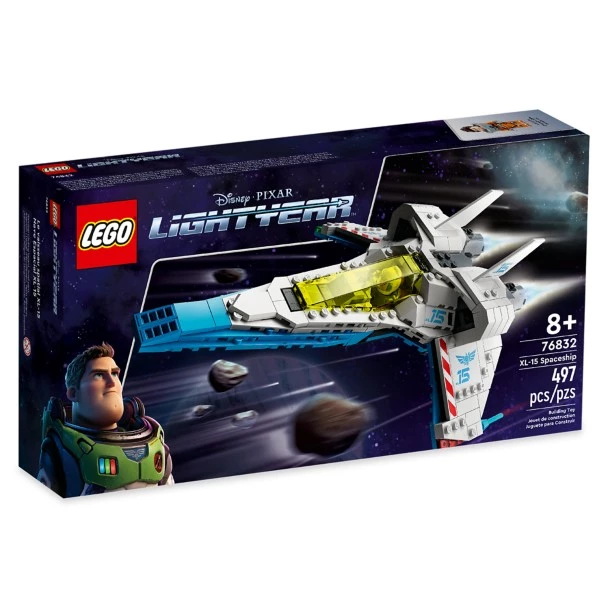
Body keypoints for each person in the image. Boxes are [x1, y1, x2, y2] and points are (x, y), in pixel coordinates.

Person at [37, 342, 174, 497]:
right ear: (74, 393)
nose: (112, 382)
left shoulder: (155, 443)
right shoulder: (61, 450)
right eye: (99, 375)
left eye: (115, 374)